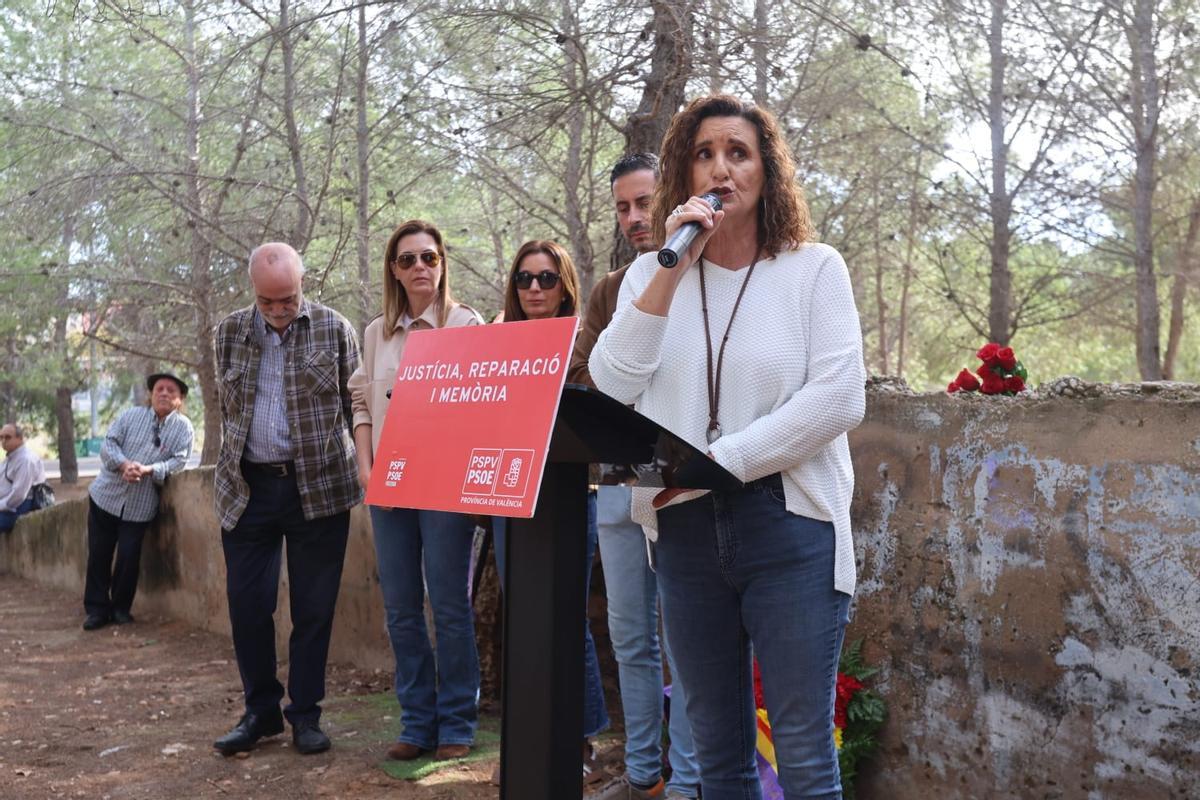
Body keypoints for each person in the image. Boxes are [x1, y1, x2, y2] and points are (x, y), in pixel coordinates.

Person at [590, 95, 866, 799]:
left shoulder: (814, 269)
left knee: (804, 754)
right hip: (682, 531)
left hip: (790, 524)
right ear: (684, 172)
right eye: (704, 153)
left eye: (738, 153)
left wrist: (724, 466)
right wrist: (670, 269)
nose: (721, 168)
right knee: (715, 757)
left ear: (766, 173)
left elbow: (838, 398)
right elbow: (612, 379)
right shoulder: (655, 274)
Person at [569, 154, 700, 800]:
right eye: (622, 207)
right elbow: (589, 376)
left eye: (644, 202)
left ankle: (692, 779)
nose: (634, 218)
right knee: (630, 642)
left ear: (670, 196)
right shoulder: (609, 289)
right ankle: (644, 774)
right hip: (617, 486)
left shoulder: (702, 276)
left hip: (683, 487)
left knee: (689, 643)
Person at [212, 243, 362, 757]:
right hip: (248, 489)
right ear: (253, 292)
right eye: (267, 302)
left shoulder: (335, 329)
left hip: (318, 487)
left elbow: (356, 406)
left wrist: (367, 468)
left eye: (288, 299)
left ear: (304, 285)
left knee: (313, 608)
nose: (278, 311)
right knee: (248, 607)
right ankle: (261, 711)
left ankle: (306, 715)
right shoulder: (229, 332)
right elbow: (228, 409)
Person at [348, 220, 483, 761]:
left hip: (446, 486)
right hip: (389, 487)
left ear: (442, 262)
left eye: (428, 256)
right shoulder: (377, 332)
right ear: (394, 270)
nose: (420, 267)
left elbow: (484, 402)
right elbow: (361, 403)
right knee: (401, 608)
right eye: (407, 260)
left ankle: (456, 722)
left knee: (449, 606)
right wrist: (365, 466)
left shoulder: (464, 323)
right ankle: (416, 722)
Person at [493, 240, 609, 783]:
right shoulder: (498, 341)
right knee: (521, 615)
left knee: (568, 617)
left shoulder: (584, 341)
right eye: (523, 279)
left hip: (568, 496)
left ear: (564, 283)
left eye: (545, 278)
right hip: (507, 493)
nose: (534, 289)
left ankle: (579, 735)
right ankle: (524, 740)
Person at [82, 373, 195, 630]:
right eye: (159, 389)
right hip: (106, 496)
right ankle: (97, 610)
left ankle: (121, 608)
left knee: (129, 557)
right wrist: (124, 464)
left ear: (179, 399)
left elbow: (178, 461)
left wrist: (148, 469)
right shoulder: (130, 416)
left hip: (141, 505)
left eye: (171, 390)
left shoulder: (184, 428)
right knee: (98, 554)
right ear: (151, 394)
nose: (164, 393)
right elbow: (108, 444)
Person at [0, 423, 47, 533]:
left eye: (8, 437)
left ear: (20, 439)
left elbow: (19, 495)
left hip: (18, 507)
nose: (3, 441)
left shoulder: (26, 460)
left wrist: (1, 505)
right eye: (1, 437)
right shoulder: (9, 458)